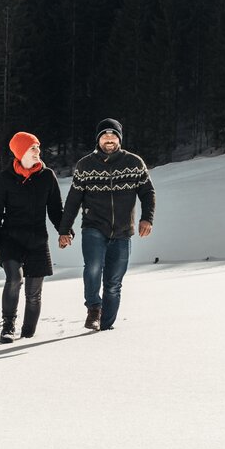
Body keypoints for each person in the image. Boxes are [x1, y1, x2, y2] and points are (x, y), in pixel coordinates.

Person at [58, 118, 155, 331]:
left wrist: (147, 218)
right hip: (94, 227)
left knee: (113, 283)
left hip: (122, 231)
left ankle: (105, 326)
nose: (108, 139)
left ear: (119, 138)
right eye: (104, 135)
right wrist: (65, 229)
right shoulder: (85, 165)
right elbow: (73, 200)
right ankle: (93, 308)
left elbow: (147, 192)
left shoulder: (134, 163)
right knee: (93, 267)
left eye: (113, 135)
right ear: (98, 139)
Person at [0, 131, 64, 344]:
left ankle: (28, 332)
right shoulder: (6, 178)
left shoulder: (47, 176)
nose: (37, 152)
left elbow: (56, 209)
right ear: (20, 152)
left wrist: (65, 231)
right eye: (32, 148)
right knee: (14, 279)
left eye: (38, 147)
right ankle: (8, 326)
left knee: (34, 292)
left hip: (38, 240)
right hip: (10, 239)